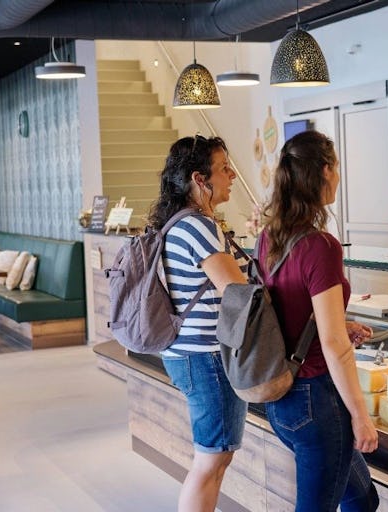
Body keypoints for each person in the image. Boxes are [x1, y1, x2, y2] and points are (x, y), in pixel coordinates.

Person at [255, 130, 379, 512]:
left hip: (281, 397)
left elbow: (289, 311)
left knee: (362, 498)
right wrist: (361, 415)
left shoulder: (268, 238)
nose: (338, 177)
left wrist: (342, 325)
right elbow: (332, 344)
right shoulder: (321, 246)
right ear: (325, 170)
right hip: (317, 399)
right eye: (337, 168)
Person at [148, 135, 248, 512]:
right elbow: (237, 293)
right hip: (206, 358)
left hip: (187, 354)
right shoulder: (199, 226)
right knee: (211, 462)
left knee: (213, 459)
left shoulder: (176, 223)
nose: (232, 174)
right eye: (224, 168)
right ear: (199, 179)